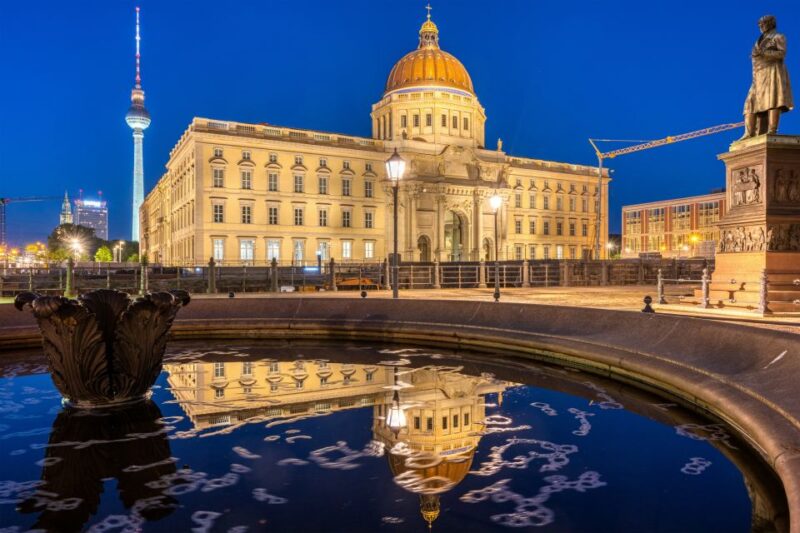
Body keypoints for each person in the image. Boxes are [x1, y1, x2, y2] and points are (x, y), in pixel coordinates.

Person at [741, 15, 793, 138]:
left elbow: (782, 53)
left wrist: (764, 53)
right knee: (750, 103)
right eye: (759, 24)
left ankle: (772, 129)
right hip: (758, 76)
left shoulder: (778, 36)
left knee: (773, 100)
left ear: (771, 24)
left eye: (763, 23)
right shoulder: (758, 40)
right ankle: (749, 133)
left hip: (772, 72)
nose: (760, 26)